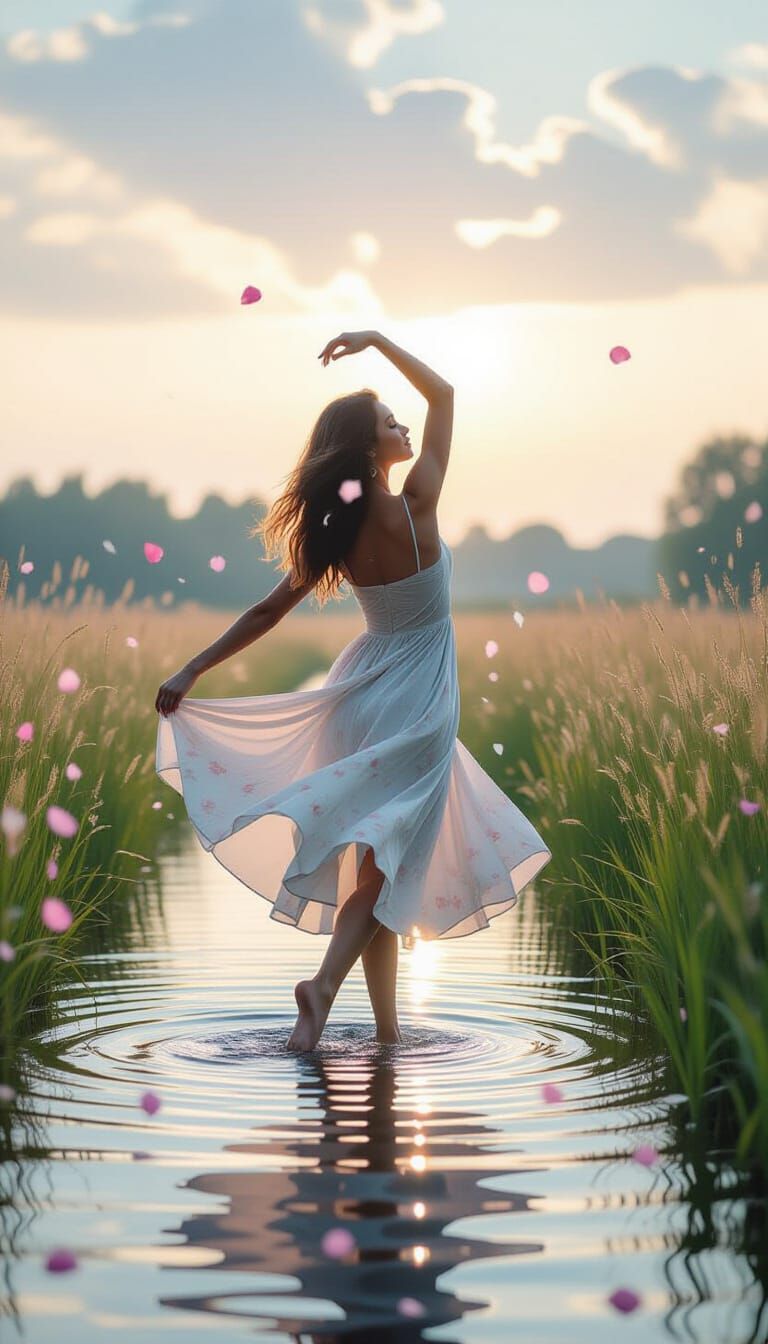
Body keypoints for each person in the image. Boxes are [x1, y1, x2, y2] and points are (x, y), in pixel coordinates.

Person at [155, 331, 552, 1052]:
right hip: (420, 704)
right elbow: (447, 395)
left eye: (401, 419)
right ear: (370, 449)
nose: (404, 426)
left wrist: (192, 670)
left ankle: (388, 1031)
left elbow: (267, 611)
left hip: (360, 691)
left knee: (380, 868)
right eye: (390, 422)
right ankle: (324, 985)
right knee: (387, 864)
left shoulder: (335, 530)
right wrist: (378, 341)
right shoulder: (417, 502)